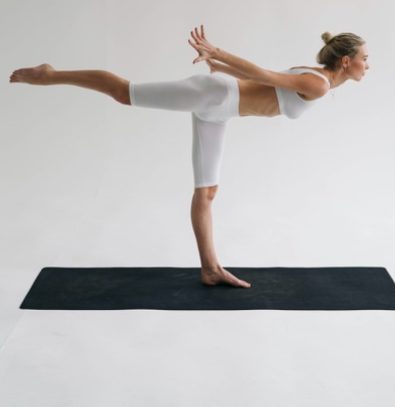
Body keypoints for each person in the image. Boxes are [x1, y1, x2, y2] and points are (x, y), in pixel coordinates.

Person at [9, 25, 369, 289]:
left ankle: (210, 268)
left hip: (221, 109)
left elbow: (263, 85)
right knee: (123, 92)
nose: (368, 65)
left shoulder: (319, 78)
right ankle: (50, 75)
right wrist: (220, 55)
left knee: (206, 192)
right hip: (213, 97)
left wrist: (221, 66)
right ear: (347, 60)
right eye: (365, 59)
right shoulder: (318, 84)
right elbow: (263, 75)